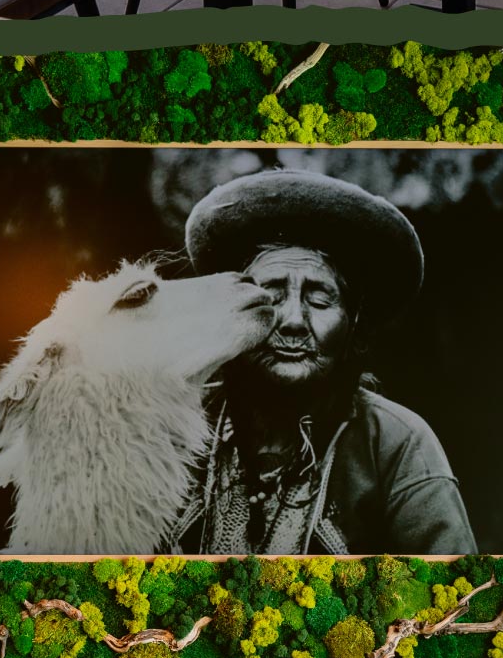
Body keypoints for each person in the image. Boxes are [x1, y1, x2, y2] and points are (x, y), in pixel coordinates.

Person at [166, 168, 476, 556]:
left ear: (353, 322)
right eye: (272, 295)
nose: (294, 320)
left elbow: (452, 597)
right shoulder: (177, 428)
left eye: (319, 298)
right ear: (236, 313)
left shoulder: (398, 445)